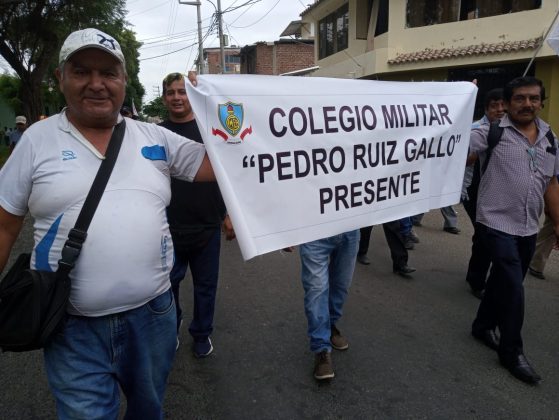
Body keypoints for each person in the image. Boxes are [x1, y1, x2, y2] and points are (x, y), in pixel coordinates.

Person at [0, 28, 215, 418]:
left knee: (148, 410)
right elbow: (4, 226)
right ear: (60, 78)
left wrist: (213, 102)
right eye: (82, 71)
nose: (96, 84)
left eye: (108, 73)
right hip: (70, 326)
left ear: (124, 80)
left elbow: (226, 164)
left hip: (153, 317)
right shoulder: (36, 141)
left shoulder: (155, 136)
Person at [468, 76, 559, 385]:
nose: (527, 104)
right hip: (494, 222)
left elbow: (551, 182)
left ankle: (482, 326)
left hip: (527, 226)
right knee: (513, 288)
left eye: (533, 98)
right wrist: (460, 104)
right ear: (507, 104)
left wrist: (558, 222)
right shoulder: (490, 132)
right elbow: (455, 147)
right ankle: (511, 351)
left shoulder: (550, 138)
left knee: (504, 281)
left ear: (541, 102)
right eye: (519, 98)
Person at [159, 72, 234, 356]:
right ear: (164, 98)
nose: (177, 97)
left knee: (206, 287)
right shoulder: (156, 134)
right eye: (171, 92)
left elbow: (230, 173)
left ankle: (202, 334)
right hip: (167, 227)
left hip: (207, 225)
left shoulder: (210, 130)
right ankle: (172, 326)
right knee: (168, 285)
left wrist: (229, 213)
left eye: (182, 91)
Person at [296, 229, 359, 380]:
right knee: (316, 290)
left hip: (350, 229)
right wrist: (284, 235)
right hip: (313, 233)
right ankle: (321, 347)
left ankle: (330, 325)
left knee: (341, 285)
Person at [463, 88, 506, 298]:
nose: (499, 110)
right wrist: (476, 153)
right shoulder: (475, 130)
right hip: (474, 189)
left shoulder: (511, 130)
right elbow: (460, 160)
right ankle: (477, 281)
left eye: (503, 105)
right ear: (486, 109)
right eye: (494, 106)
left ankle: (479, 276)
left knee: (486, 236)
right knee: (484, 235)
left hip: (499, 191)